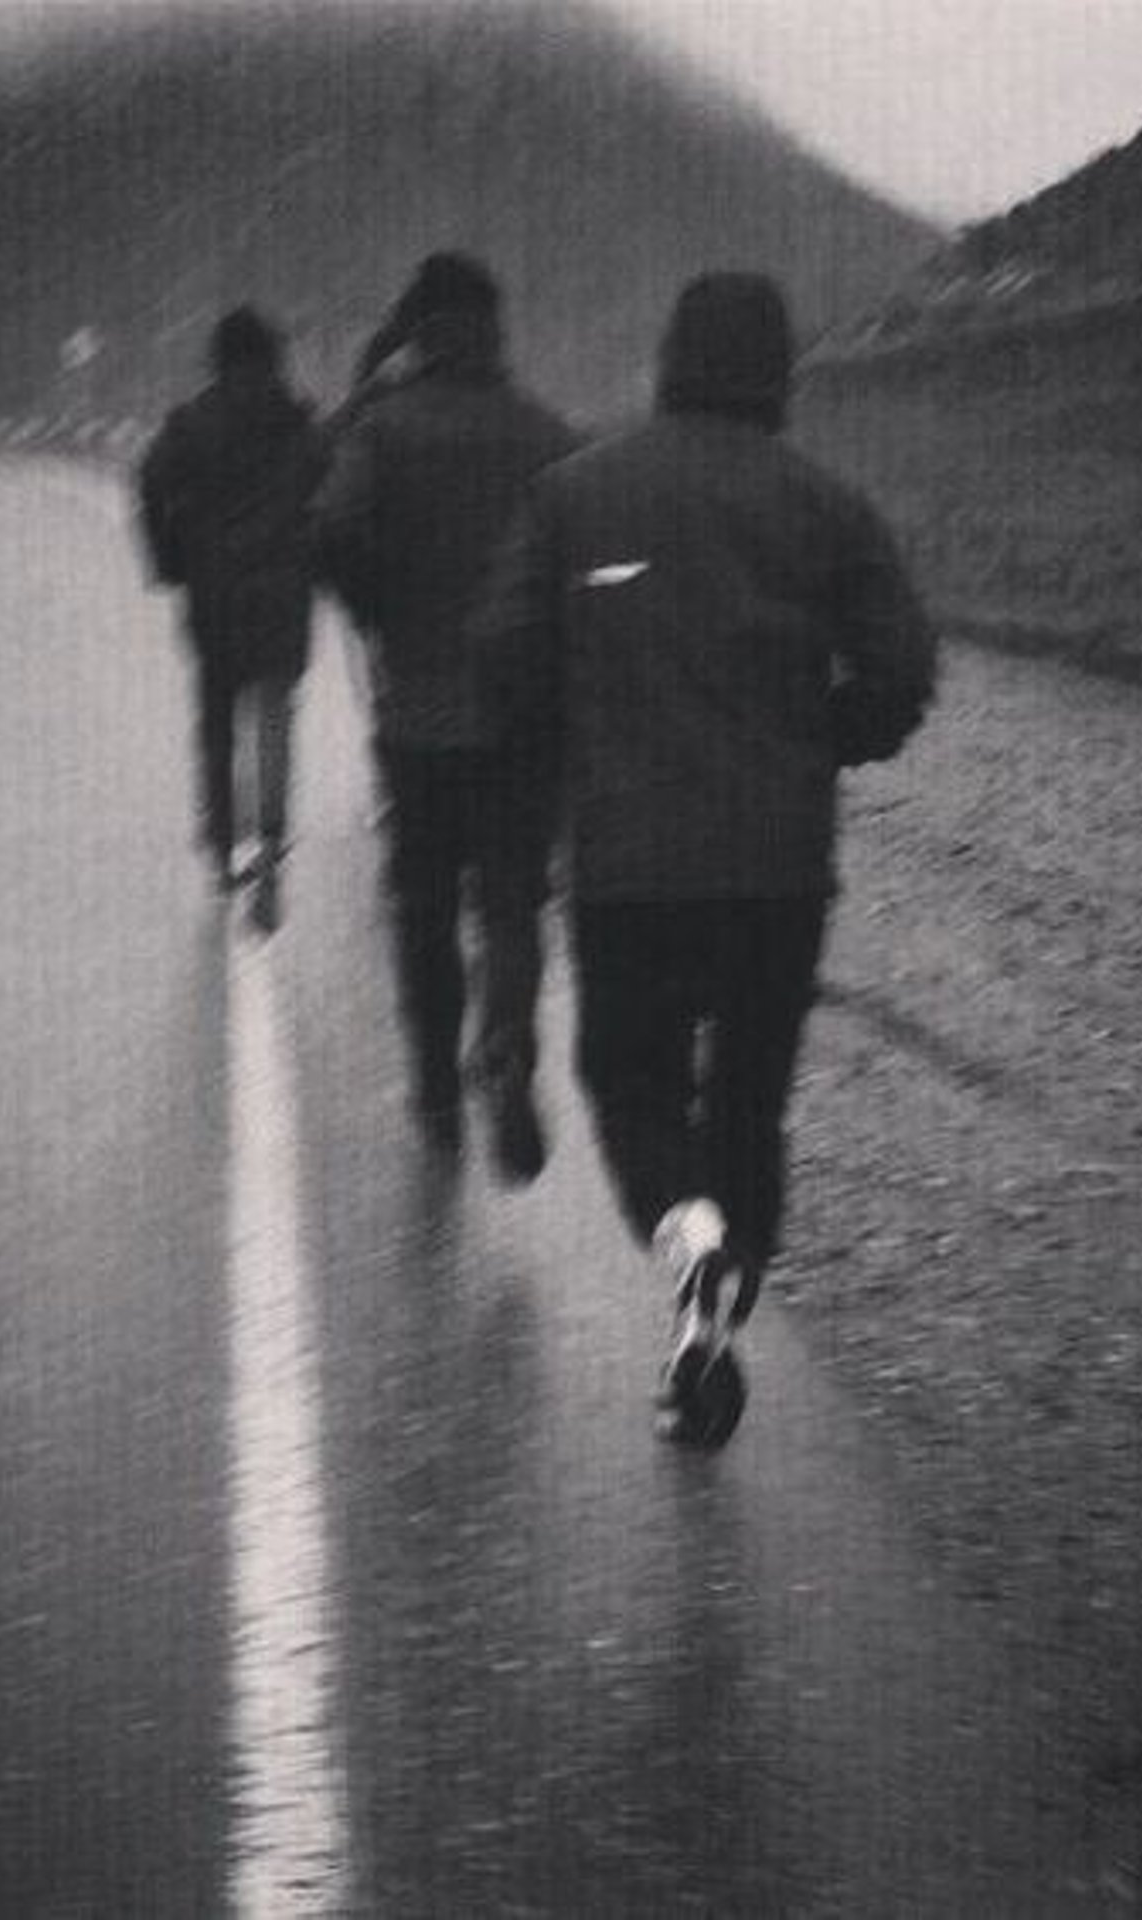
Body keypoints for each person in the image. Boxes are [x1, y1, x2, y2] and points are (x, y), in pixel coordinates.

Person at [475, 271, 937, 1443]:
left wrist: (578, 743)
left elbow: (505, 653)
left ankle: (687, 1234)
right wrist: (825, 739)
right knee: (749, 1100)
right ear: (778, 370)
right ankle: (713, 1320)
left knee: (630, 1078)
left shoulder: (575, 492)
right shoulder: (827, 505)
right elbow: (902, 669)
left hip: (631, 862)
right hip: (779, 870)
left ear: (669, 358)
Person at [315, 253, 578, 1174]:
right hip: (522, 721)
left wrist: (374, 606)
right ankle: (506, 1048)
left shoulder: (382, 428)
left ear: (416, 330)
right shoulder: (548, 434)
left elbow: (329, 522)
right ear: (496, 326)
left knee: (423, 907)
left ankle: (435, 1088)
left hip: (419, 716)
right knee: (512, 903)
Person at [136, 305, 328, 932]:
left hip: (214, 595)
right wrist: (317, 559)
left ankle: (223, 846)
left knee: (217, 722)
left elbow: (150, 484)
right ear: (274, 357)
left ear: (217, 358)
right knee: (275, 720)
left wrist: (170, 560)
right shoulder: (298, 423)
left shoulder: (189, 424)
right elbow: (327, 494)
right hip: (283, 596)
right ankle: (270, 844)